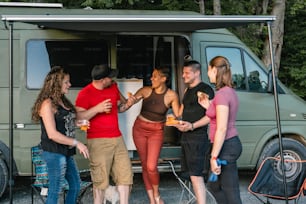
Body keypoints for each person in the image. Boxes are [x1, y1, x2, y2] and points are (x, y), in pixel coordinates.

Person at [75, 64, 134, 204]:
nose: (114, 79)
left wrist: (129, 104)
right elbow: (79, 117)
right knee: (100, 181)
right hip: (97, 141)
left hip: (117, 138)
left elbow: (119, 108)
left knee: (125, 175)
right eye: (111, 77)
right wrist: (97, 108)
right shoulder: (85, 93)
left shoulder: (113, 87)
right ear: (103, 79)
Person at [31, 66, 90, 204]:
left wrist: (79, 123)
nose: (69, 84)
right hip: (54, 152)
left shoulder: (62, 101)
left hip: (66, 151)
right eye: (66, 82)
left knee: (75, 186)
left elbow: (64, 122)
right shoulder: (47, 104)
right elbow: (52, 134)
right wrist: (77, 143)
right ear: (57, 83)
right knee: (55, 190)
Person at [129, 67, 180, 204]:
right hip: (139, 129)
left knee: (152, 166)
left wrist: (173, 117)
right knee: (145, 165)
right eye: (152, 76)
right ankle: (152, 200)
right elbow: (130, 102)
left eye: (155, 76)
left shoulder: (172, 95)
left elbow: (178, 113)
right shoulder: (145, 91)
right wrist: (128, 101)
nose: (151, 78)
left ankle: (157, 194)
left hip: (156, 131)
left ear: (164, 79)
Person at [198, 56, 242, 204]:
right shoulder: (228, 92)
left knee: (231, 193)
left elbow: (222, 128)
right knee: (214, 185)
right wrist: (207, 105)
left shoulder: (222, 95)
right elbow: (218, 115)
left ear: (215, 70)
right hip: (227, 145)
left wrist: (214, 158)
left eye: (209, 70)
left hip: (226, 146)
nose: (208, 74)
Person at [171, 60, 214, 204]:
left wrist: (192, 126)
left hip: (198, 137)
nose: (183, 76)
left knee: (196, 175)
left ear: (197, 73)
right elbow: (182, 113)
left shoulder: (205, 90)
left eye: (187, 73)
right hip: (186, 136)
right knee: (191, 174)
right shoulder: (187, 90)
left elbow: (211, 116)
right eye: (183, 73)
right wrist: (176, 121)